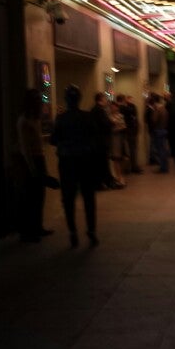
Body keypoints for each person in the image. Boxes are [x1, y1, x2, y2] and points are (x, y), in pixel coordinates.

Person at [50, 84, 99, 248]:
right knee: (88, 198)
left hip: (67, 162)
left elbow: (54, 139)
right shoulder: (87, 117)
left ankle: (73, 231)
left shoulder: (61, 119)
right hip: (85, 161)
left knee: (68, 198)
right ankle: (91, 230)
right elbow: (95, 138)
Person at [16, 88, 54, 243]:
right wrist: (31, 167)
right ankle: (28, 231)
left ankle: (37, 227)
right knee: (30, 196)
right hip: (30, 161)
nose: (41, 102)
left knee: (39, 195)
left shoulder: (35, 119)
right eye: (38, 100)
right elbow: (25, 147)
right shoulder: (24, 120)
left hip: (39, 158)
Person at [90, 91, 119, 190]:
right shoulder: (100, 110)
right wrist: (112, 123)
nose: (106, 100)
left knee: (100, 163)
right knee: (102, 163)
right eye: (105, 99)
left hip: (97, 141)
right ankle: (105, 182)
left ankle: (104, 182)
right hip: (101, 141)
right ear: (101, 99)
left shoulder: (94, 110)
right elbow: (104, 124)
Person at [107, 100, 128, 188]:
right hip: (112, 139)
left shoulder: (120, 116)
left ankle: (121, 176)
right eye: (111, 106)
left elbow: (123, 126)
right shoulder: (108, 117)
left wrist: (117, 128)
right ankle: (118, 177)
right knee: (115, 159)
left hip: (120, 139)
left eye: (114, 106)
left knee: (121, 159)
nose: (112, 108)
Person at [149, 93, 170, 172]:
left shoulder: (157, 109)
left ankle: (163, 168)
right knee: (164, 149)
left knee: (160, 149)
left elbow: (154, 119)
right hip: (164, 129)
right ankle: (165, 166)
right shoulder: (164, 108)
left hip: (158, 130)